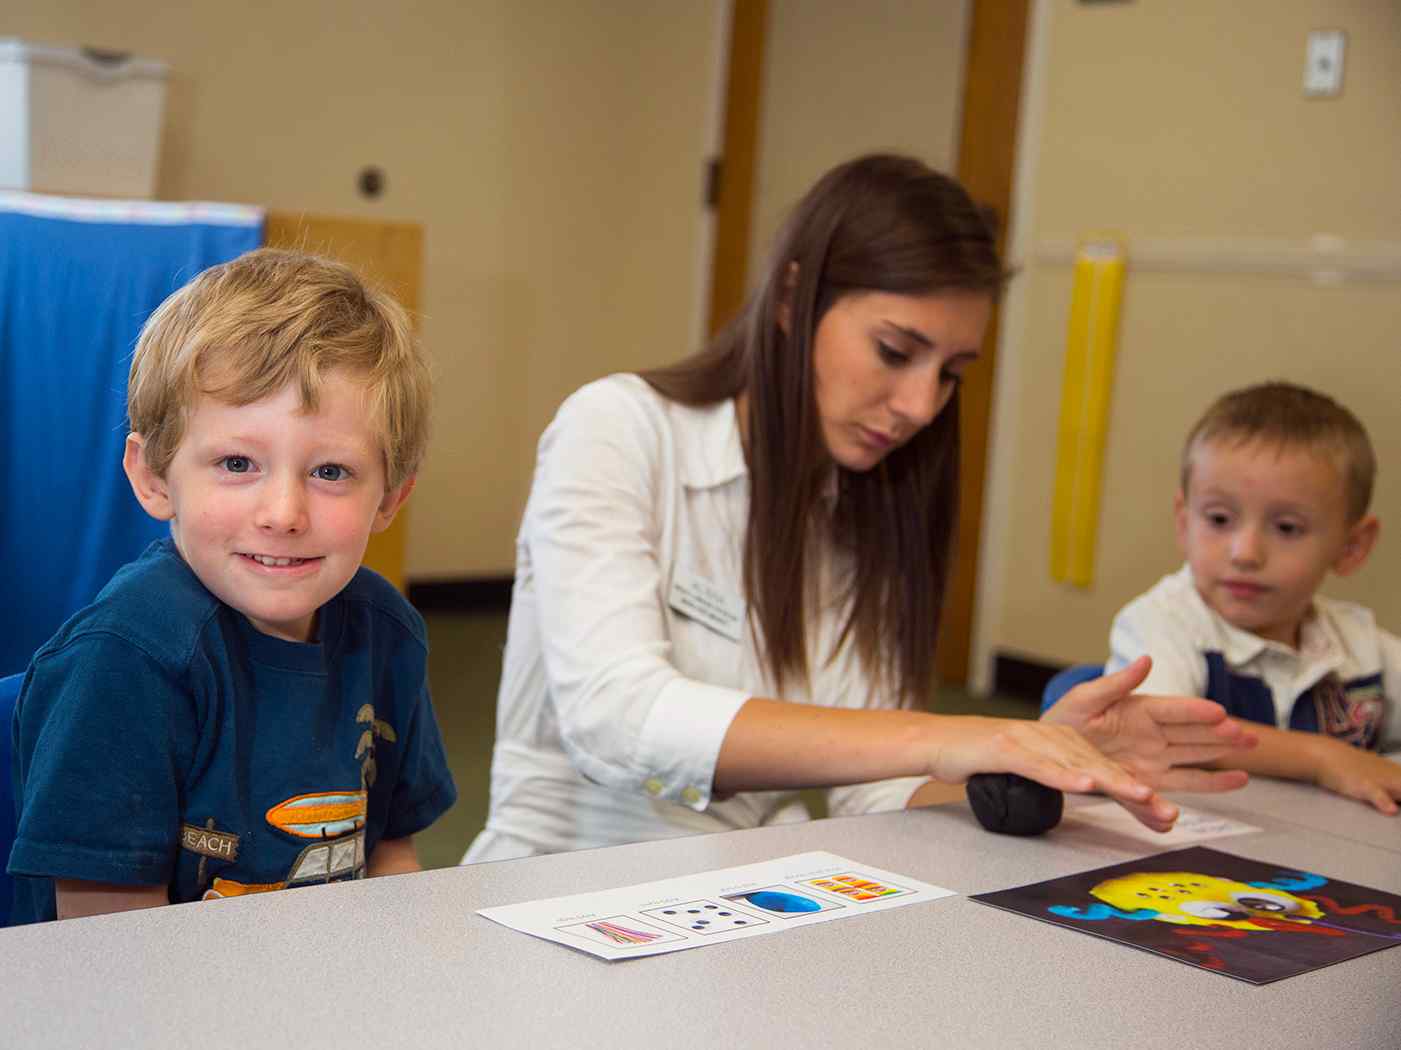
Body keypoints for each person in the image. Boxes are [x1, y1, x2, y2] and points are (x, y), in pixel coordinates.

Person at [462, 153, 1253, 864]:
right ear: (792, 299)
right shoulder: (616, 426)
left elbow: (874, 792)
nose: (918, 405)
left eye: (950, 373)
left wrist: (1049, 764)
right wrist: (956, 735)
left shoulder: (867, 505)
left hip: (718, 904)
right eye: (895, 351)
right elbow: (619, 717)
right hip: (547, 891)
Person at [8, 249, 458, 923]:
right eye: (238, 463)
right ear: (154, 476)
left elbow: (391, 855)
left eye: (331, 472)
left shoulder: (387, 631)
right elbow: (107, 942)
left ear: (390, 498)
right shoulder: (126, 658)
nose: (283, 513)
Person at [1106, 380, 1400, 814]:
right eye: (1220, 518)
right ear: (1184, 523)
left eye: (1286, 528)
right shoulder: (1161, 622)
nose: (1245, 553)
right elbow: (1161, 729)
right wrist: (1323, 758)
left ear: (1351, 547)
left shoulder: (1360, 642)